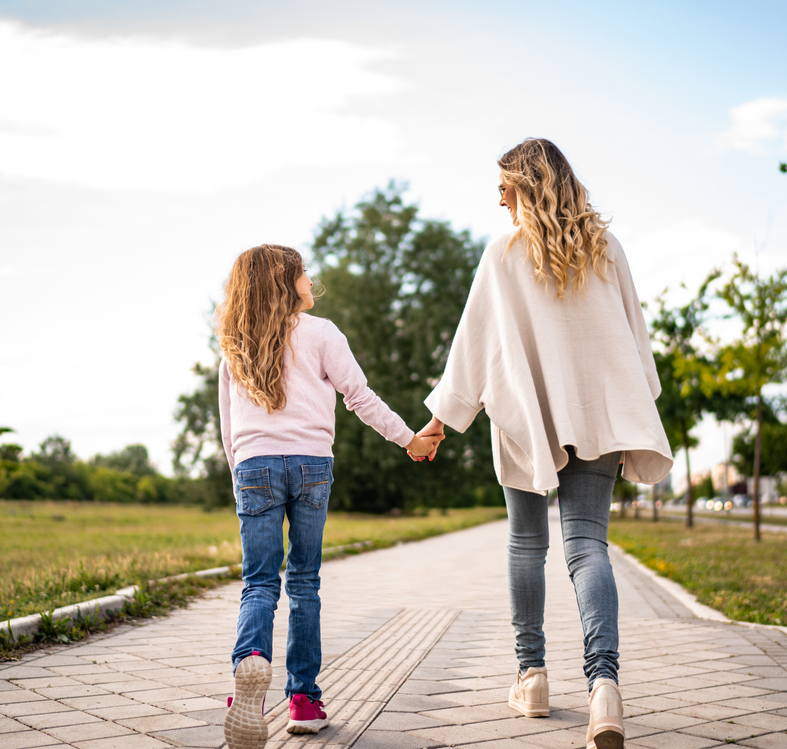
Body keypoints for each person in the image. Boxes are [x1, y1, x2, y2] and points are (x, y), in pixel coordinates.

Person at [414, 139, 672, 749]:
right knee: (587, 547)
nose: (498, 196)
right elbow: (637, 342)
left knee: (526, 543)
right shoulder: (607, 249)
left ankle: (530, 677)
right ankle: (604, 686)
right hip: (599, 414)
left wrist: (440, 424)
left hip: (528, 419)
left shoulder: (504, 255)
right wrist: (634, 402)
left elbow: (473, 349)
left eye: (504, 184)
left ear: (528, 185)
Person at [216, 244, 443, 749]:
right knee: (303, 580)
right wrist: (409, 439)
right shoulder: (322, 334)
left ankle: (250, 665)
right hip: (311, 467)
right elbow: (360, 397)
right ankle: (302, 700)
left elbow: (229, 424)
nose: (310, 281)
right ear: (283, 282)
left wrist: (242, 475)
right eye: (302, 274)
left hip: (254, 466)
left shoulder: (234, 343)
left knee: (258, 581)